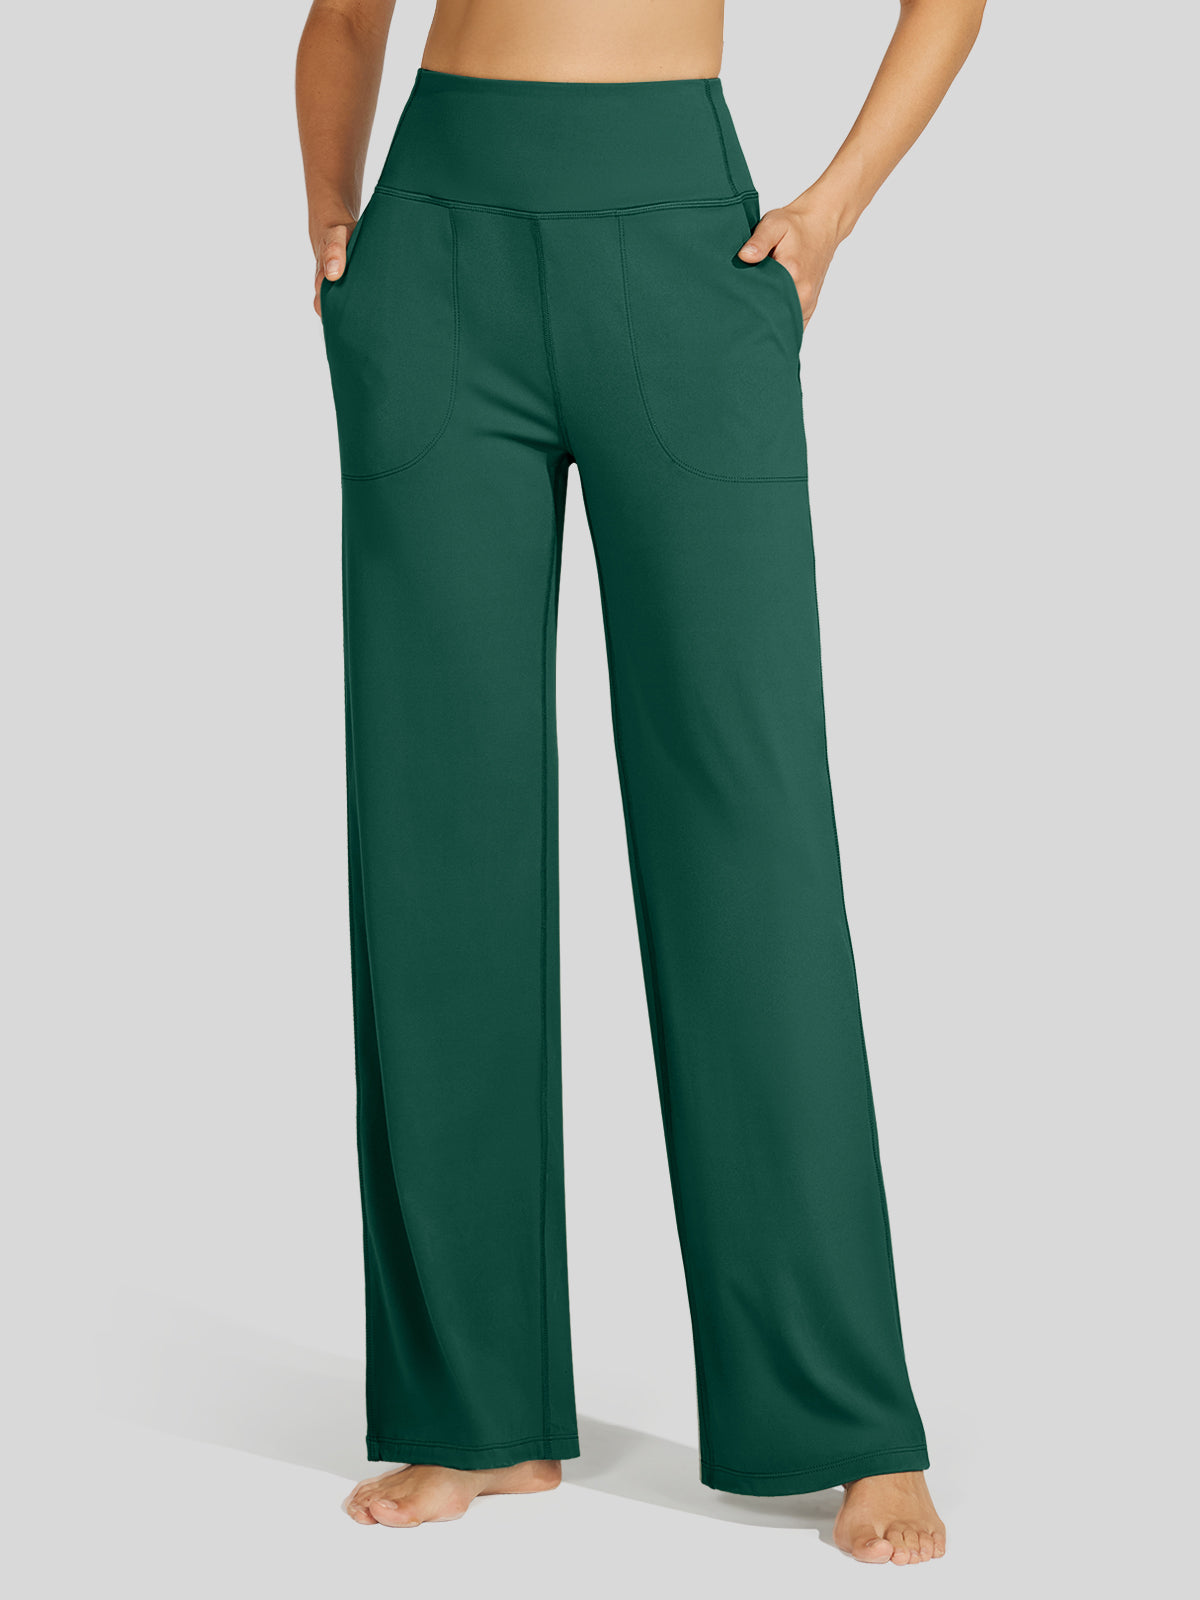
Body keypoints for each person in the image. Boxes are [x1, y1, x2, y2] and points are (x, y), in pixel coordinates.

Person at [296, 0, 984, 1566]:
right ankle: (470, 1407)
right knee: (435, 838)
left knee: (750, 845)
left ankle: (845, 1420)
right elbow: (344, 18)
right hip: (432, 246)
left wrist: (833, 210)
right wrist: (336, 222)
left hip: (684, 248)